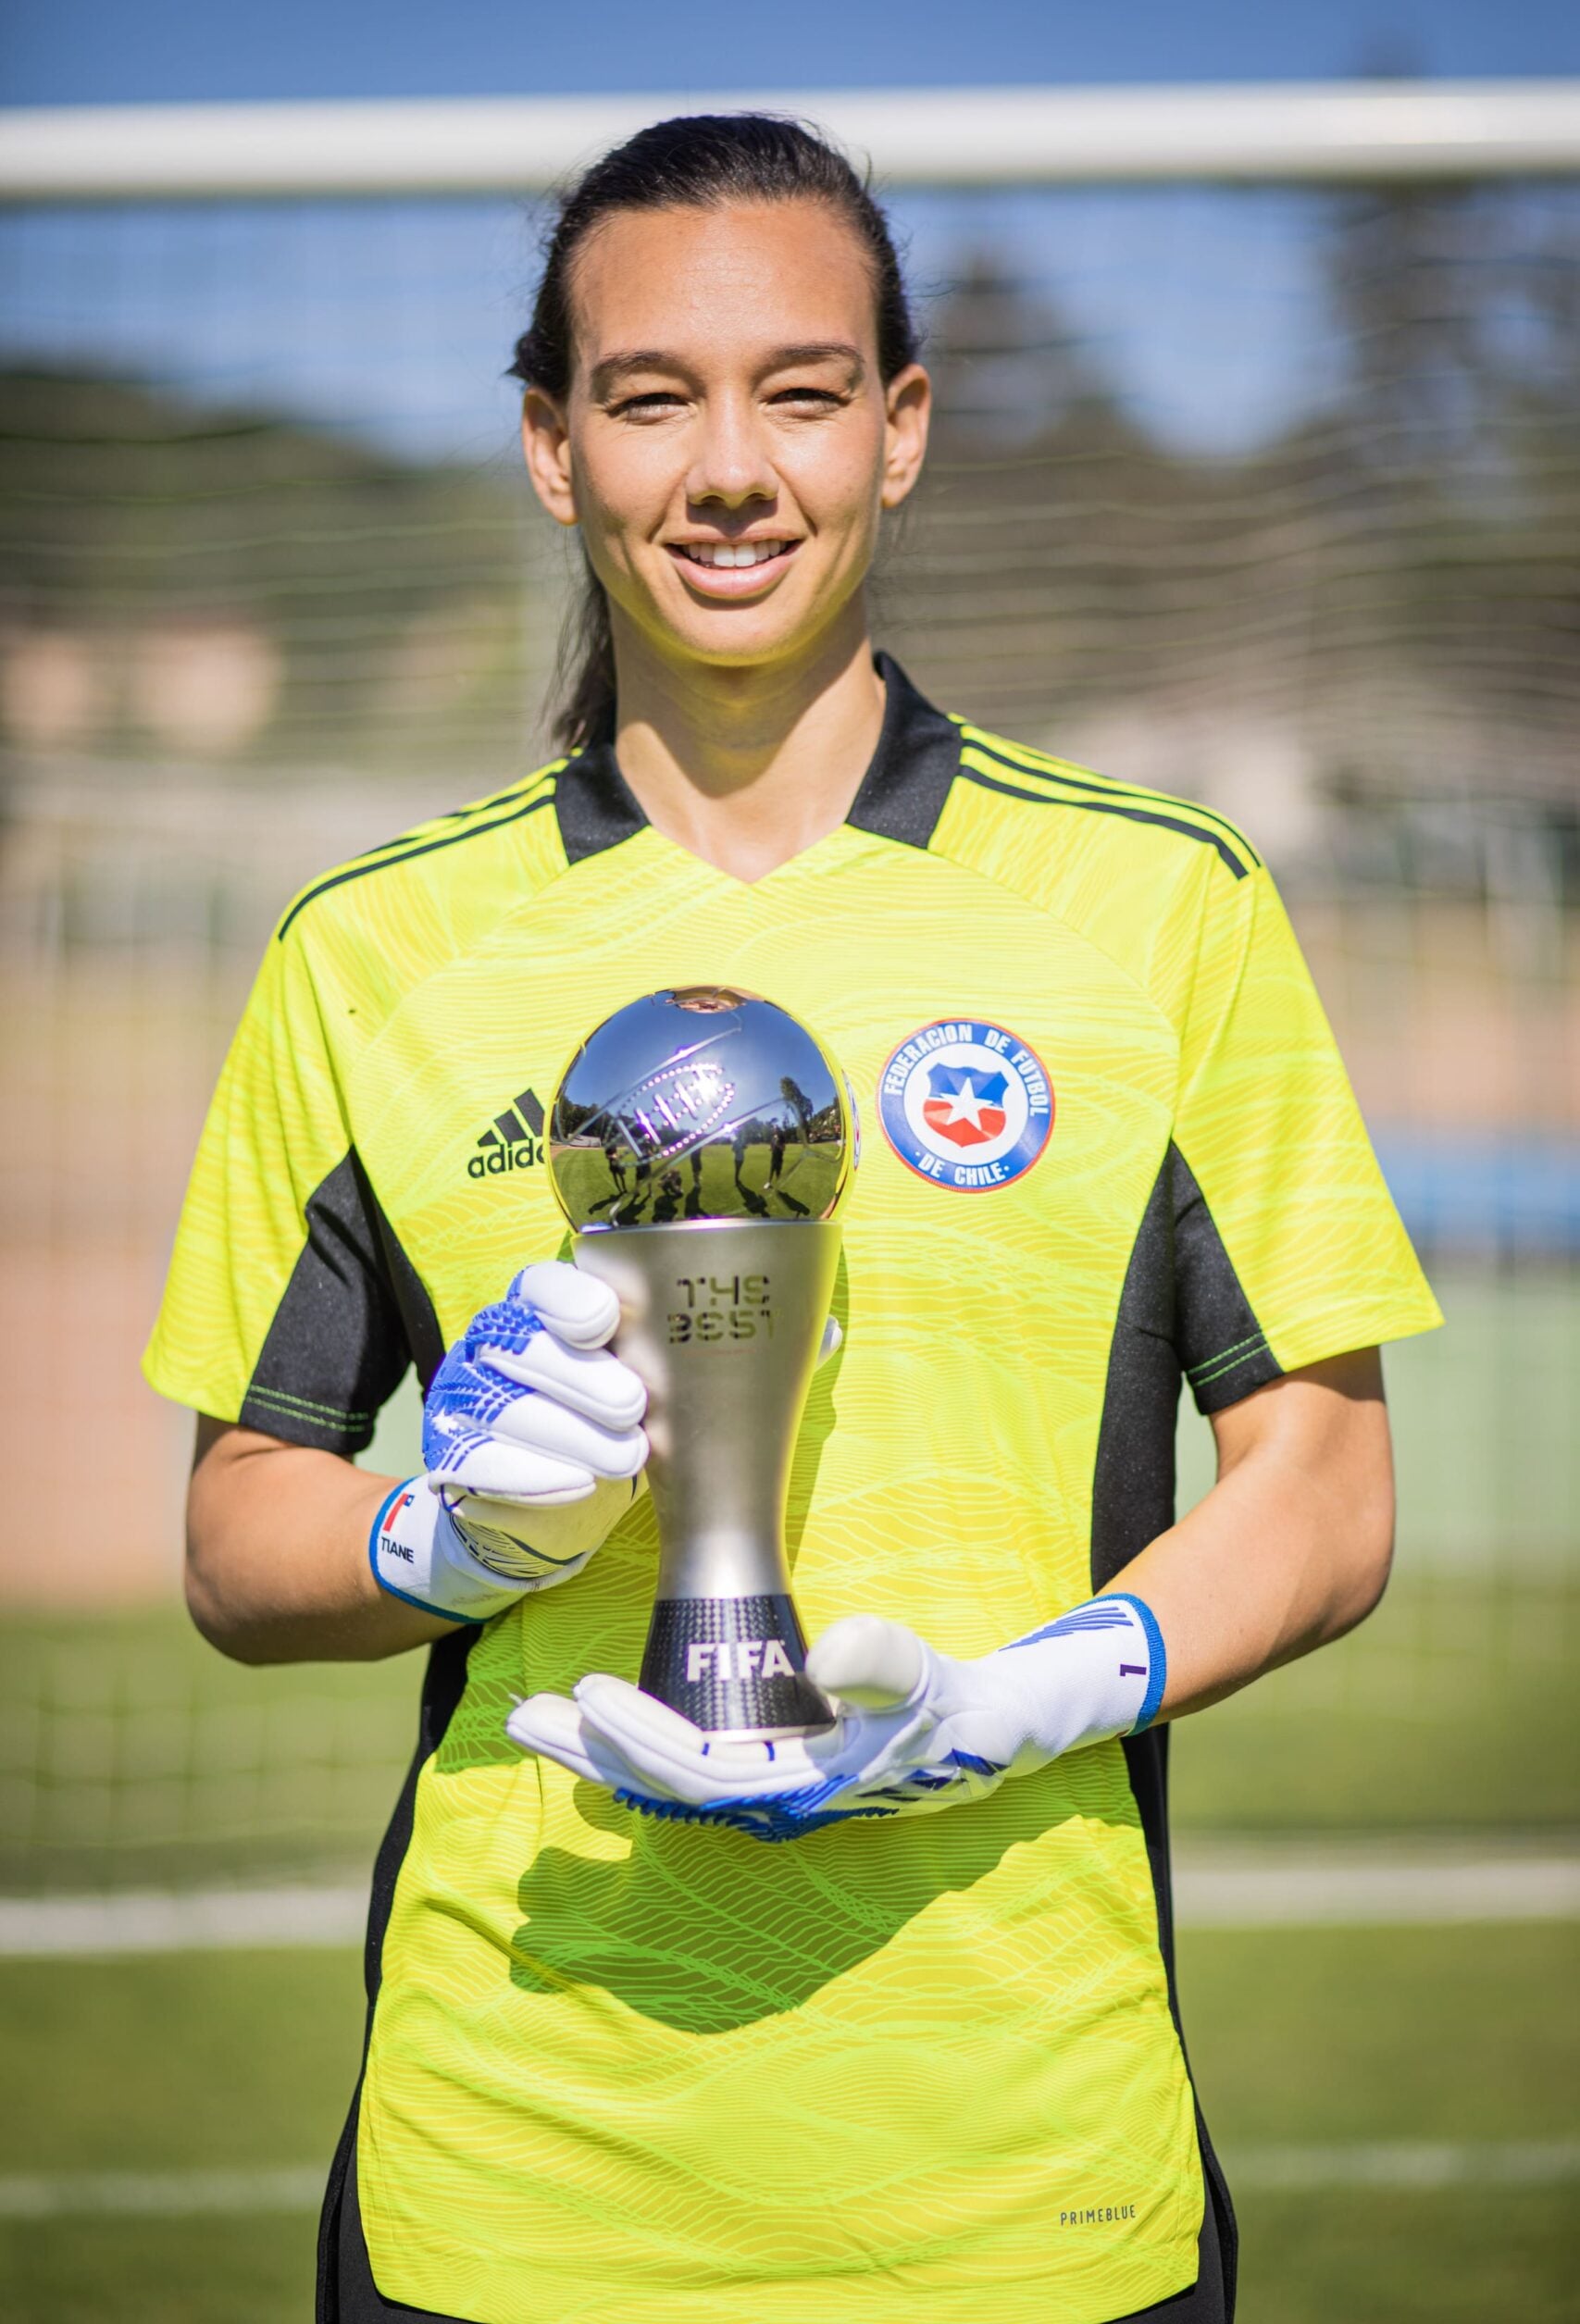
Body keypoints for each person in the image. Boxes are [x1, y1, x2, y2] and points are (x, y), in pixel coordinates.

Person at [144, 115, 1441, 2324]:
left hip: (1026, 2184)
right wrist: (440, 1538)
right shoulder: (371, 948)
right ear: (552, 447)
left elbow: (1322, 1482)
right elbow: (231, 1532)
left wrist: (1031, 1694)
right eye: (651, 397)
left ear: (898, 427)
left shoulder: (1156, 903)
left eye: (802, 391)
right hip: (512, 2184)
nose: (730, 469)